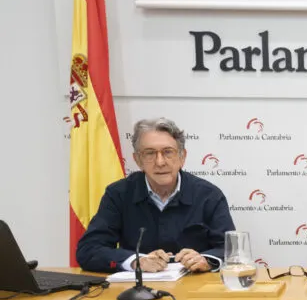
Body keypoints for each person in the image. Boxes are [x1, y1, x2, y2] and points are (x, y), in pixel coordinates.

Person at [76, 117, 235, 273]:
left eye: (168, 152)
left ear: (182, 157)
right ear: (138, 160)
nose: (160, 162)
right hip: (137, 291)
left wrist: (206, 260)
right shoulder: (118, 194)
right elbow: (88, 250)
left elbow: (231, 250)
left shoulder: (208, 195)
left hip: (194, 290)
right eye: (150, 153)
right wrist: (135, 261)